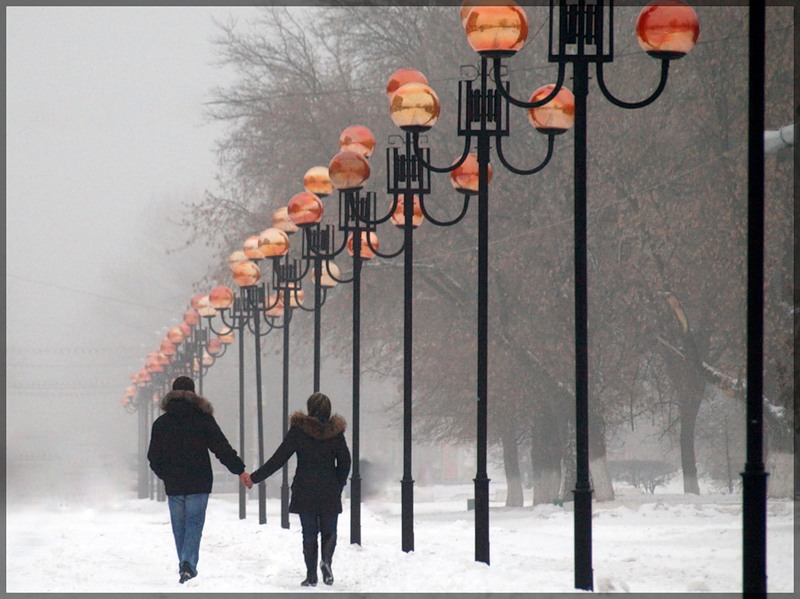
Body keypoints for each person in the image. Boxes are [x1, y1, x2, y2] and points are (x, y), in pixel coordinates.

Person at [147, 376, 252, 584]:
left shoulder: (161, 423)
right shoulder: (203, 419)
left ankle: (185, 563)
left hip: (174, 484)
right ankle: (188, 563)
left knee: (179, 526)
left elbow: (153, 457)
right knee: (194, 523)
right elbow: (221, 447)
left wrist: (166, 475)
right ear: (194, 394)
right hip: (199, 481)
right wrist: (239, 470)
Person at [250, 392, 351, 587]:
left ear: (309, 408)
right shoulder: (335, 433)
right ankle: (327, 562)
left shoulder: (299, 431)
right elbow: (345, 461)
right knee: (329, 531)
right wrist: (338, 483)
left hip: (305, 488)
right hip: (329, 488)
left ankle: (311, 574)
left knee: (309, 533)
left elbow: (279, 458)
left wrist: (255, 477)